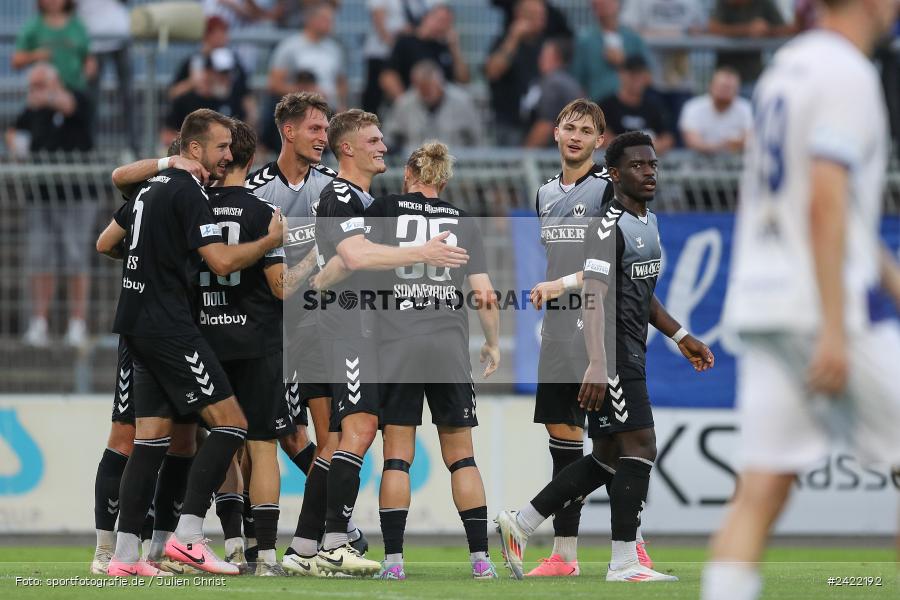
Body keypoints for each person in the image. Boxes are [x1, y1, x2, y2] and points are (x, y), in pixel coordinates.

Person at [703, 2, 900, 599]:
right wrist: (836, 329)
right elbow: (824, 200)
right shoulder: (848, 72)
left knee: (761, 488)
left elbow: (841, 213)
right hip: (818, 307)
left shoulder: (785, 67)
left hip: (763, 305)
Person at [497, 131, 715, 583]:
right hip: (610, 352)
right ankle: (624, 562)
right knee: (641, 445)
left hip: (630, 348)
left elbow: (642, 293)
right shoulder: (606, 226)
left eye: (653, 164)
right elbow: (594, 297)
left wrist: (682, 335)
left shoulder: (648, 222)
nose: (650, 171)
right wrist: (598, 364)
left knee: (609, 458)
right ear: (613, 174)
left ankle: (521, 523)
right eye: (638, 165)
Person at [104, 108, 285, 577]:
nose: (229, 156)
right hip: (170, 325)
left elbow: (108, 238)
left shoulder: (153, 185)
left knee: (151, 441)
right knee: (231, 424)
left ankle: (125, 557)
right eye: (222, 147)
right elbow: (222, 263)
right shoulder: (188, 189)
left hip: (134, 323)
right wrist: (270, 241)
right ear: (196, 148)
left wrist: (156, 255)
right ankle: (188, 536)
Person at [309, 109, 468, 576]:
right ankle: (333, 541)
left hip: (365, 327)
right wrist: (424, 251)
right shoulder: (340, 194)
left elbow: (340, 266)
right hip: (347, 328)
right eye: (373, 140)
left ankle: (313, 544)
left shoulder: (367, 200)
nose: (383, 146)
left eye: (382, 139)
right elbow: (355, 255)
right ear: (348, 149)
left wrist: (318, 277)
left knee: (347, 435)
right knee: (355, 433)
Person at [239, 92, 368, 575]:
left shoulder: (334, 187)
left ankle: (328, 528)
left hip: (321, 325)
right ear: (288, 131)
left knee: (312, 434)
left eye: (328, 129)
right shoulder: (254, 190)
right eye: (315, 129)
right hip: (266, 328)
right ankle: (258, 538)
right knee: (267, 436)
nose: (324, 138)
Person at [360, 142, 500, 580]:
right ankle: (480, 561)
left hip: (396, 345)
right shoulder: (462, 221)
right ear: (443, 180)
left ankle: (394, 563)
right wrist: (492, 343)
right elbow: (485, 295)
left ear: (409, 174)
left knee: (397, 457)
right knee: (462, 458)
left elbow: (357, 263)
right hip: (447, 347)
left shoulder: (383, 209)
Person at [92, 140, 207, 577]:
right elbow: (107, 237)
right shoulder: (157, 188)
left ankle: (157, 548)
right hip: (153, 330)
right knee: (128, 436)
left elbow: (107, 244)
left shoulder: (186, 196)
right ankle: (108, 548)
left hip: (181, 330)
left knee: (181, 439)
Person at [198, 119, 295, 577]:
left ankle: (234, 546)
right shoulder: (263, 213)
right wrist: (315, 263)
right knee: (262, 447)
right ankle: (269, 556)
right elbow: (280, 287)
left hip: (207, 339)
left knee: (221, 441)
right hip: (257, 341)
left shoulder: (192, 207)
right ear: (250, 159)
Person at [524, 98, 615, 577]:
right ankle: (565, 555)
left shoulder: (606, 191)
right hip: (558, 327)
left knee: (616, 442)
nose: (576, 135)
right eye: (569, 127)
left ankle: (631, 546)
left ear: (599, 141)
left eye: (587, 130)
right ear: (556, 132)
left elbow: (608, 265)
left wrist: (559, 285)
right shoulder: (543, 194)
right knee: (563, 440)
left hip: (597, 324)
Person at [8, 63, 94, 348]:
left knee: (75, 257)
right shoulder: (30, 114)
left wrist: (48, 97)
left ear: (55, 82)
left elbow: (70, 107)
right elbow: (19, 146)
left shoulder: (77, 98)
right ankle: (39, 322)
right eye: (32, 87)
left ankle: (77, 323)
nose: (34, 93)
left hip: (77, 195)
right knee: (40, 258)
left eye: (39, 85)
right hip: (41, 196)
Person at [485, 0, 549, 145]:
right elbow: (492, 72)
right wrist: (514, 36)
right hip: (508, 123)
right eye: (534, 15)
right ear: (520, 16)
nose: (541, 20)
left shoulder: (546, 45)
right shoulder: (505, 41)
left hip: (538, 123)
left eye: (542, 15)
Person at [383, 60, 482, 152]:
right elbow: (389, 137)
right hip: (416, 165)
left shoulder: (462, 101)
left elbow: (478, 137)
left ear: (440, 83)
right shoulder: (404, 104)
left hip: (456, 165)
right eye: (422, 88)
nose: (427, 92)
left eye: (430, 87)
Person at [379, 4, 470, 105]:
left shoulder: (445, 47)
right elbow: (387, 76)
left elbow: (463, 79)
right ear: (427, 17)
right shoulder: (406, 42)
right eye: (440, 20)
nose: (443, 26)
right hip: (413, 102)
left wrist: (455, 49)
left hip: (443, 108)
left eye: (447, 23)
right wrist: (404, 102)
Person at [162, 50, 249, 149]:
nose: (226, 78)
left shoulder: (232, 100)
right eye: (221, 73)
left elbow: (243, 136)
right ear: (208, 72)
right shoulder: (184, 101)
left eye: (228, 73)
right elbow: (167, 136)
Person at [268, 2, 347, 110]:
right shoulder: (290, 46)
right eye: (325, 19)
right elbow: (274, 84)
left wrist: (341, 106)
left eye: (331, 20)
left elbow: (341, 82)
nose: (331, 23)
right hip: (300, 111)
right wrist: (306, 93)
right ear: (311, 20)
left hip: (329, 111)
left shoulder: (335, 49)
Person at [571, 0, 648, 104]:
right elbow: (577, 81)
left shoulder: (633, 38)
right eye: (599, 3)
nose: (604, 5)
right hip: (598, 105)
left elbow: (648, 75)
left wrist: (624, 62)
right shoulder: (585, 41)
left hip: (631, 106)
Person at [361, 0, 431, 114]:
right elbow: (379, 21)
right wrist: (398, 46)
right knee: (374, 99)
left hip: (404, 56)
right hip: (381, 52)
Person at [12, 0, 96, 93]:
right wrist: (35, 55)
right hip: (43, 91)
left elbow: (88, 58)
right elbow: (16, 60)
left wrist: (88, 71)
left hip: (74, 88)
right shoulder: (33, 27)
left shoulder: (77, 26)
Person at [707, 0, 795, 88]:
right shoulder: (723, 3)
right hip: (725, 76)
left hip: (752, 75)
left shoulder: (764, 3)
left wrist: (767, 30)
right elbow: (713, 28)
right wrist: (747, 30)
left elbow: (784, 30)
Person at [598, 55, 674, 154]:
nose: (637, 79)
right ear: (621, 74)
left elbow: (667, 138)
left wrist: (651, 147)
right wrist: (637, 147)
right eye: (632, 74)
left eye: (640, 74)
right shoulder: (606, 106)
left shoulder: (654, 106)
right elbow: (601, 137)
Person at [522, 38, 583, 148]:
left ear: (557, 58)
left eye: (544, 55)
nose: (539, 59)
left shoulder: (554, 83)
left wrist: (524, 156)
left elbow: (545, 125)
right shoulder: (568, 81)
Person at [679, 66, 753, 155]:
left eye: (729, 87)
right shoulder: (693, 106)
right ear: (711, 86)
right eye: (722, 86)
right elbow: (692, 141)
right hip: (698, 165)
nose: (725, 91)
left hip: (737, 166)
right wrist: (727, 145)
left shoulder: (746, 108)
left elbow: (750, 139)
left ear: (737, 89)